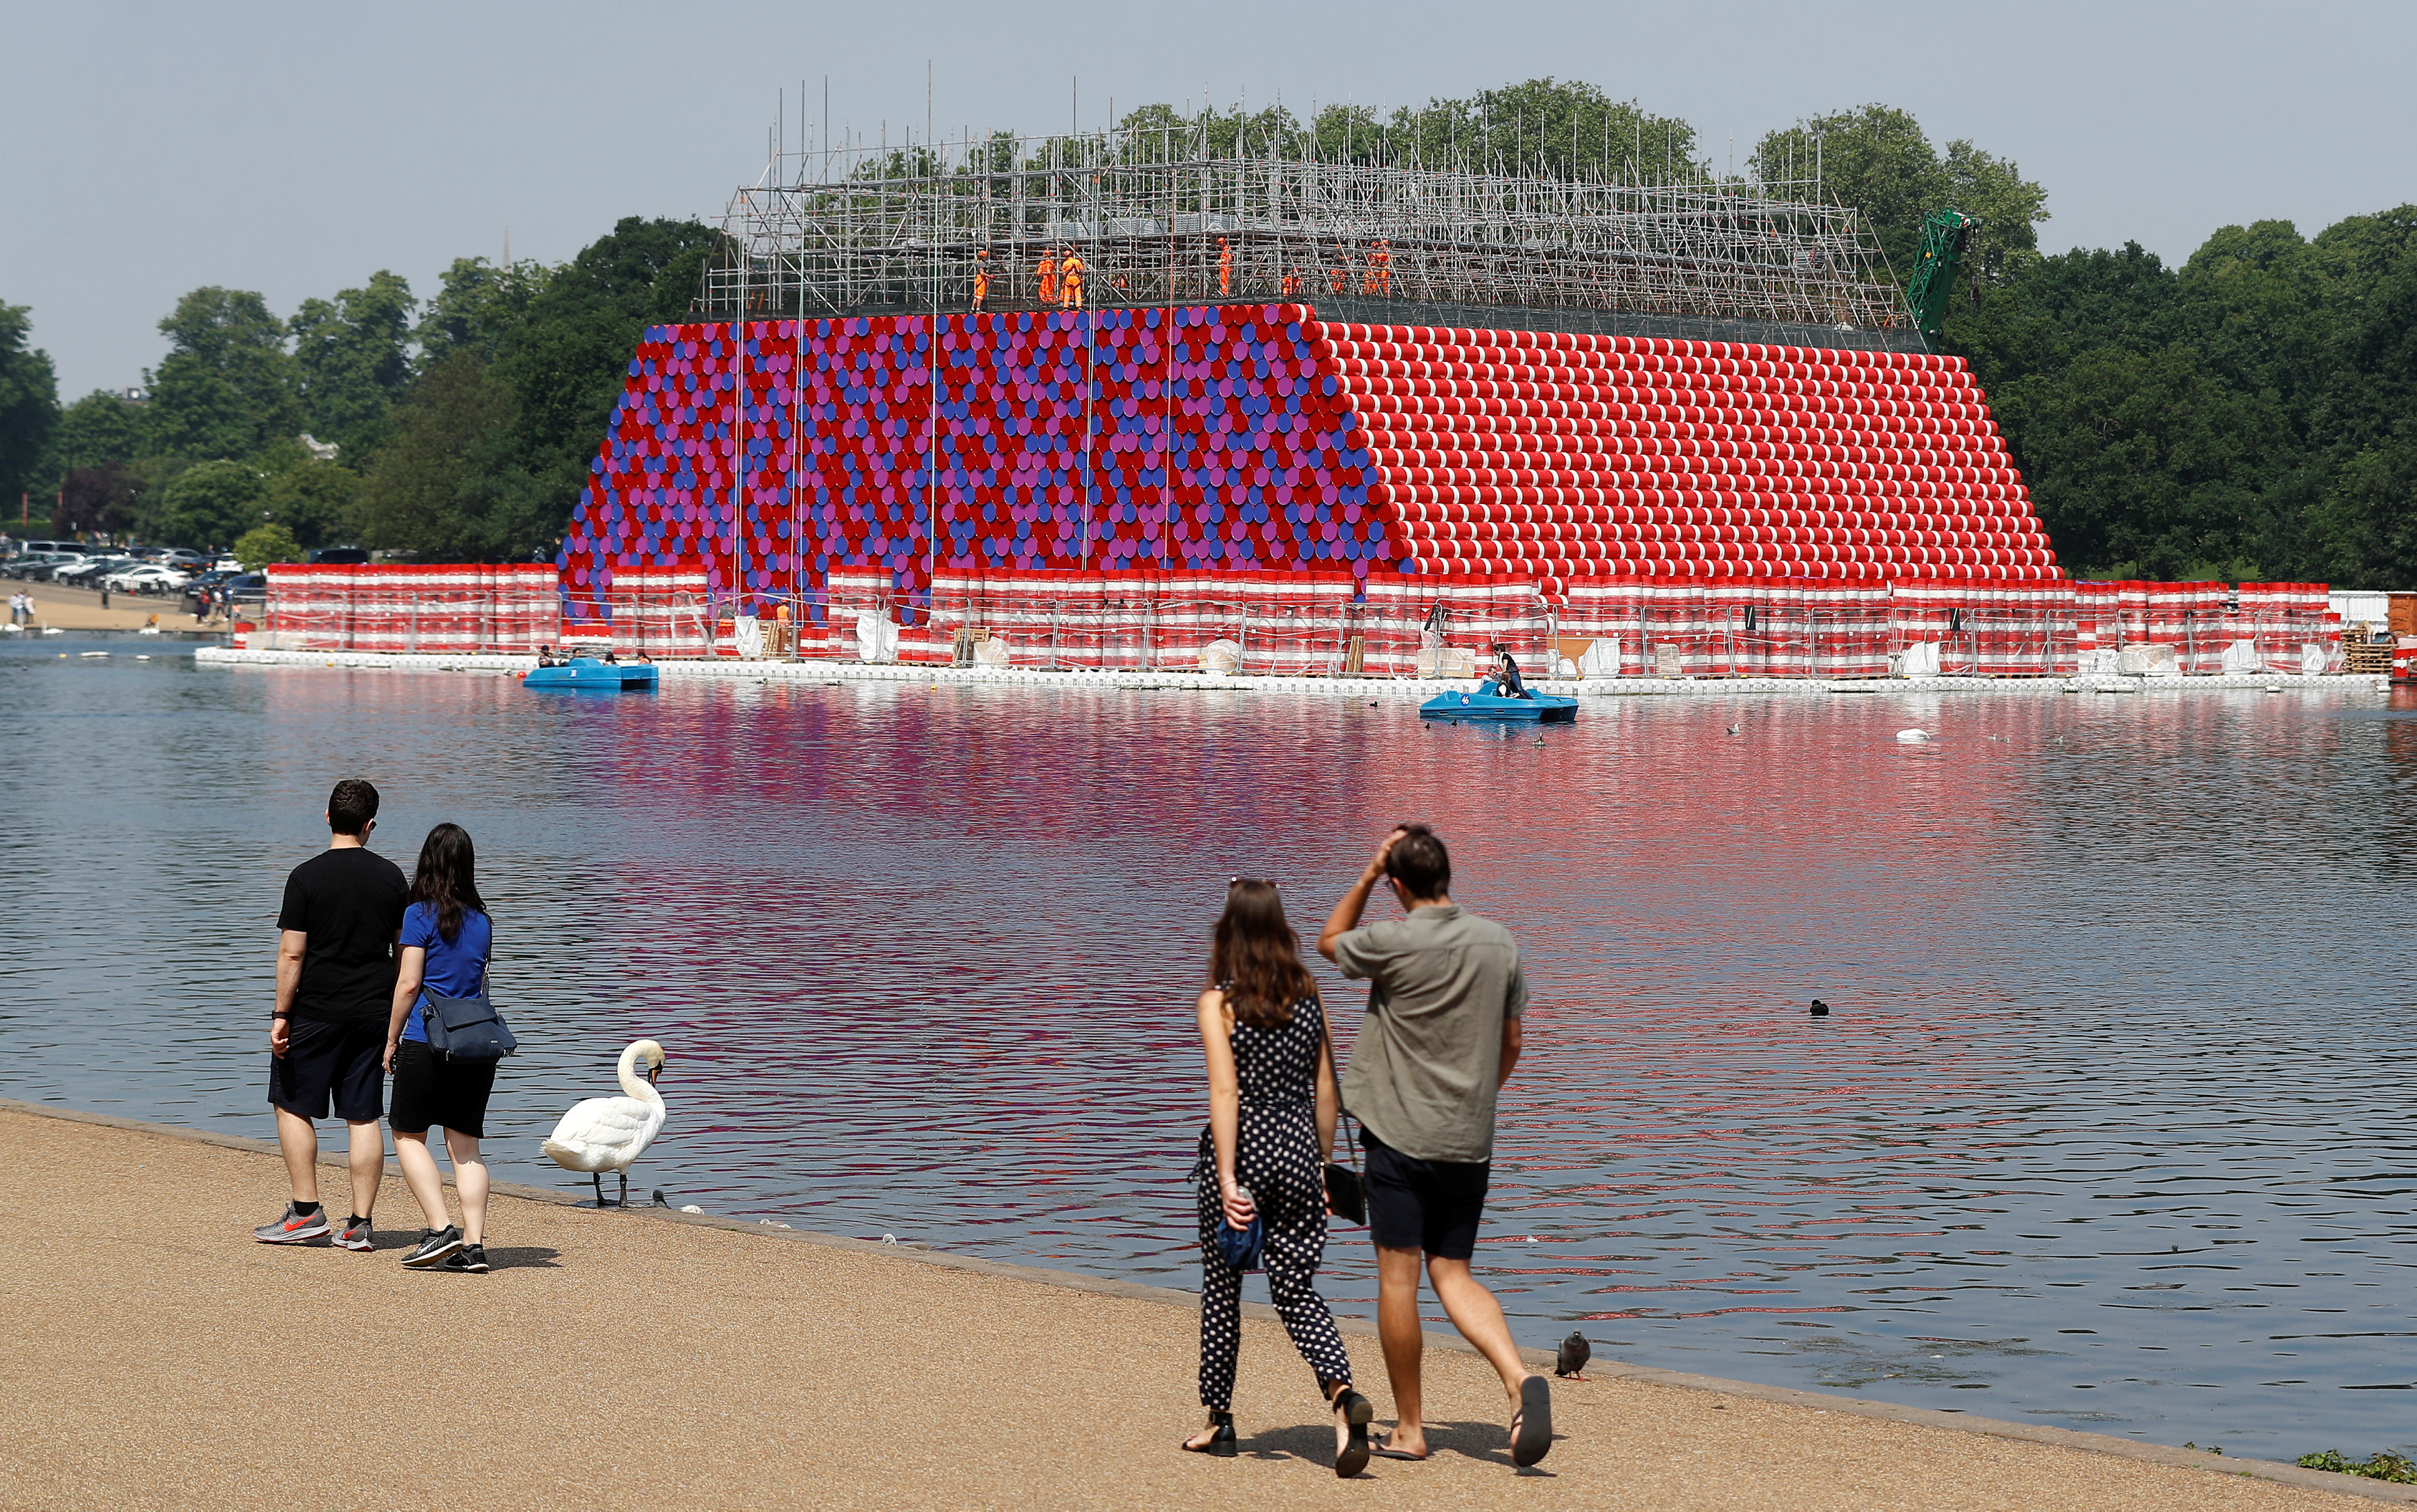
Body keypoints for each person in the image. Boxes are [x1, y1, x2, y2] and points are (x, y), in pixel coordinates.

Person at [1318, 825, 1551, 1469]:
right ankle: (1518, 1380)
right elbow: (1511, 1045)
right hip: (1467, 1138)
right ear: (1448, 876)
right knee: (1454, 1273)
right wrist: (1478, 1100)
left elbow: (1328, 942)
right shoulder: (1498, 943)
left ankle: (1412, 1429)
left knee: (1400, 1279)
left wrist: (1366, 875)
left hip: (1399, 1135)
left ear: (1398, 885)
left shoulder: (1393, 939)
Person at [1185, 880, 1374, 1476]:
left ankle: (1219, 1420)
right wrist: (1320, 1167)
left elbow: (1225, 1090)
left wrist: (1227, 1176)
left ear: (1229, 932)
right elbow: (1325, 1089)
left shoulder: (1219, 1002)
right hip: (1296, 1155)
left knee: (1223, 1289)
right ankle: (1342, 1395)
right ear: (1281, 929)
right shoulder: (1307, 992)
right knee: (1296, 1289)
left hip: (1243, 1156)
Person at [256, 779, 409, 1250]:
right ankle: (360, 1224)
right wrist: (395, 1020)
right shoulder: (392, 878)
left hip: (316, 1010)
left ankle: (306, 1212)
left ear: (327, 817)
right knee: (363, 1115)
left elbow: (292, 955)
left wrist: (282, 1012)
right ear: (370, 825)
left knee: (291, 1103)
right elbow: (403, 953)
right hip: (373, 1012)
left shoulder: (305, 877)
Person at [383, 823, 499, 1272]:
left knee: (407, 1135)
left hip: (424, 1039)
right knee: (466, 1148)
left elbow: (409, 983)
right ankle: (474, 1247)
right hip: (474, 1043)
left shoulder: (418, 915)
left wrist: (390, 1039)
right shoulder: (484, 921)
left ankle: (439, 1229)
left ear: (427, 861)